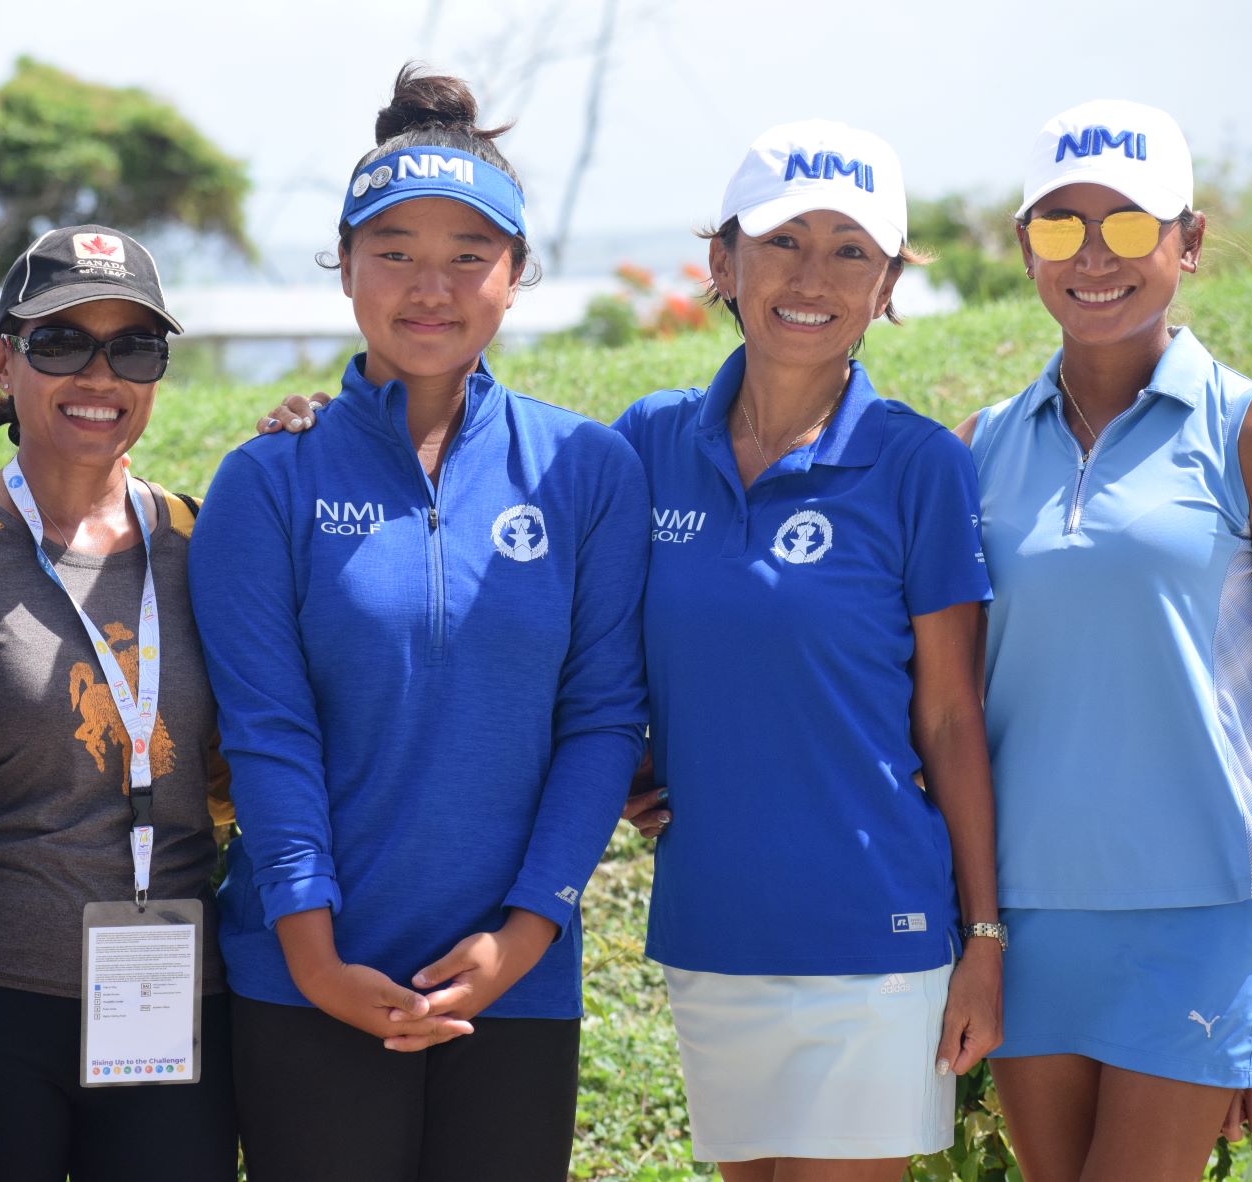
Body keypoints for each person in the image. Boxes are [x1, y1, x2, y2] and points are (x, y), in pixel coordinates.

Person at [256, 119, 1004, 1181]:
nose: (813, 275)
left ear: (887, 286)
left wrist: (986, 938)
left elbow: (951, 717)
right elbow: (582, 647)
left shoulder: (922, 463)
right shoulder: (642, 445)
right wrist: (326, 424)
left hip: (875, 924)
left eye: (853, 250)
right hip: (712, 921)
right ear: (722, 263)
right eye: (785, 240)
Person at [188, 65, 650, 1182]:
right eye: (393, 251)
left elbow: (601, 719)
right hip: (308, 975)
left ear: (518, 272)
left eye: (467, 256)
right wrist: (314, 949)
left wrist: (524, 934)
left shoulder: (587, 469)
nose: (428, 287)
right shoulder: (267, 479)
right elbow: (268, 732)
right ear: (344, 267)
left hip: (513, 978)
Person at [961, 99, 1252, 1182]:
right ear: (1025, 247)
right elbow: (938, 701)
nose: (1093, 254)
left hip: (1196, 913)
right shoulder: (974, 451)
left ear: (1188, 243)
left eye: (1129, 223)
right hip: (1023, 918)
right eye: (1059, 225)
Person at [0, 225, 239, 1181]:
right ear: (4, 362)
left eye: (133, 346)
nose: (100, 373)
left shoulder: (205, 540)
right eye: (60, 343)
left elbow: (232, 776)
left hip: (175, 997)